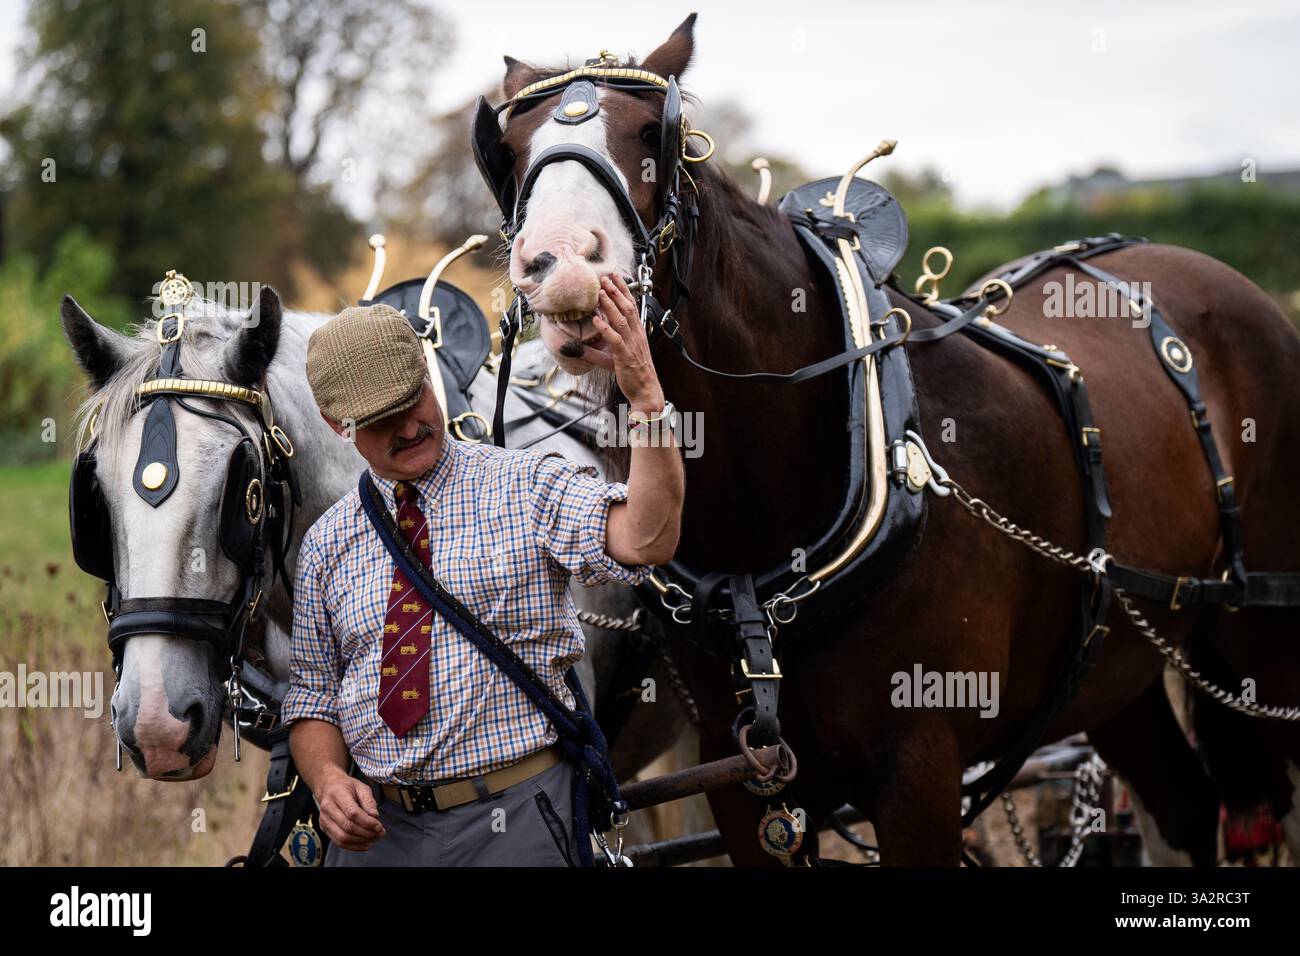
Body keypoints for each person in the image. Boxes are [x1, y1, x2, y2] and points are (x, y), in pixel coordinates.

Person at [282, 274, 684, 866]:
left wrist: (647, 400)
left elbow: (647, 538)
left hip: (518, 820)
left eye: (412, 398)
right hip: (379, 840)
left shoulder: (525, 485)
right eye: (381, 419)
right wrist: (327, 782)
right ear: (335, 421)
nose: (409, 426)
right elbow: (313, 699)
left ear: (428, 373)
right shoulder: (324, 547)